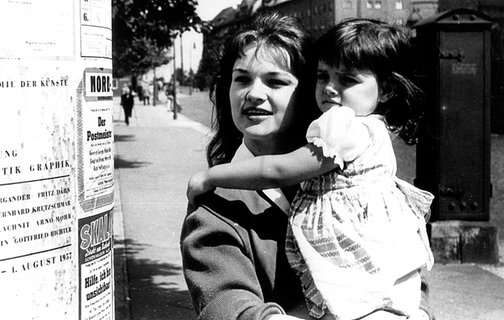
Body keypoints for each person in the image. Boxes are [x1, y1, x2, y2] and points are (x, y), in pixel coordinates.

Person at [181, 13, 433, 320]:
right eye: (242, 79)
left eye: (275, 81)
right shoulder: (217, 204)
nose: (254, 94)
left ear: (305, 92)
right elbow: (228, 308)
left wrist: (417, 311)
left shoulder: (349, 176)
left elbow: (402, 267)